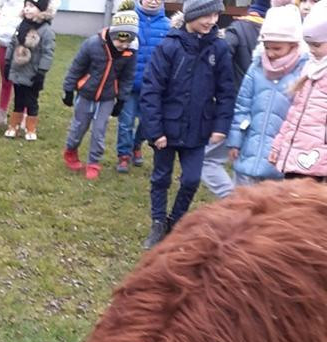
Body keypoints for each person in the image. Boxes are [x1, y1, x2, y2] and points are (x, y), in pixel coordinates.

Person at [139, 0, 235, 248]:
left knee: (191, 180)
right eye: (207, 15)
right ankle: (158, 223)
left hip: (198, 130)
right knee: (161, 178)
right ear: (192, 15)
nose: (212, 20)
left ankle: (176, 221)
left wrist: (220, 126)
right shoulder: (169, 46)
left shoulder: (219, 49)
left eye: (216, 15)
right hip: (167, 130)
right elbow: (151, 90)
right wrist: (155, 130)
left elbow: (226, 91)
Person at [226, 5, 306, 185]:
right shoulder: (256, 69)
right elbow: (242, 106)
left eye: (277, 48)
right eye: (267, 47)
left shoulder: (303, 73)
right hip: (249, 152)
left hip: (279, 161)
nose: (270, 53)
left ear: (294, 45)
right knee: (242, 204)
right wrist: (235, 141)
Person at [200, 0, 271, 198]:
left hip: (237, 107)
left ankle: (234, 201)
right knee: (247, 163)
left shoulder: (237, 29)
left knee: (207, 159)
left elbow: (217, 59)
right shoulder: (280, 33)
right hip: (265, 110)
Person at [61, 1, 138, 180]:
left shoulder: (130, 53)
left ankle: (94, 162)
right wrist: (68, 89)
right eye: (120, 39)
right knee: (78, 127)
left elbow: (127, 78)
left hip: (107, 98)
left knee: (99, 130)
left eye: (128, 41)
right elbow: (76, 67)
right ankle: (71, 150)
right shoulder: (92, 44)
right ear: (112, 33)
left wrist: (121, 100)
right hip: (86, 94)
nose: (123, 45)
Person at [269, 0, 327, 181]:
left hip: (317, 165)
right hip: (298, 158)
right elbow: (294, 115)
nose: (311, 50)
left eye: (317, 45)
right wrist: (278, 146)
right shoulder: (311, 68)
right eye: (309, 44)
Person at [115, 0, 171, 172]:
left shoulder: (168, 26)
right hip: (129, 82)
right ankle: (124, 155)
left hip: (153, 85)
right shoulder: (129, 20)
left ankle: (136, 146)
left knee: (147, 122)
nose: (153, 2)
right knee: (126, 121)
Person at [3, 0, 56, 140]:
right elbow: (12, 44)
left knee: (32, 101)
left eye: (31, 6)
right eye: (26, 6)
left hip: (33, 73)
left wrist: (41, 72)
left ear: (41, 10)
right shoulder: (22, 26)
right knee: (18, 99)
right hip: (18, 70)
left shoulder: (46, 31)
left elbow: (47, 53)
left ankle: (31, 128)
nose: (27, 9)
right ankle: (13, 126)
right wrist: (7, 62)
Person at [0, 0, 24, 126]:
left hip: (21, 43)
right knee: (5, 79)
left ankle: (22, 116)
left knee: (21, 81)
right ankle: (1, 114)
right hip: (4, 39)